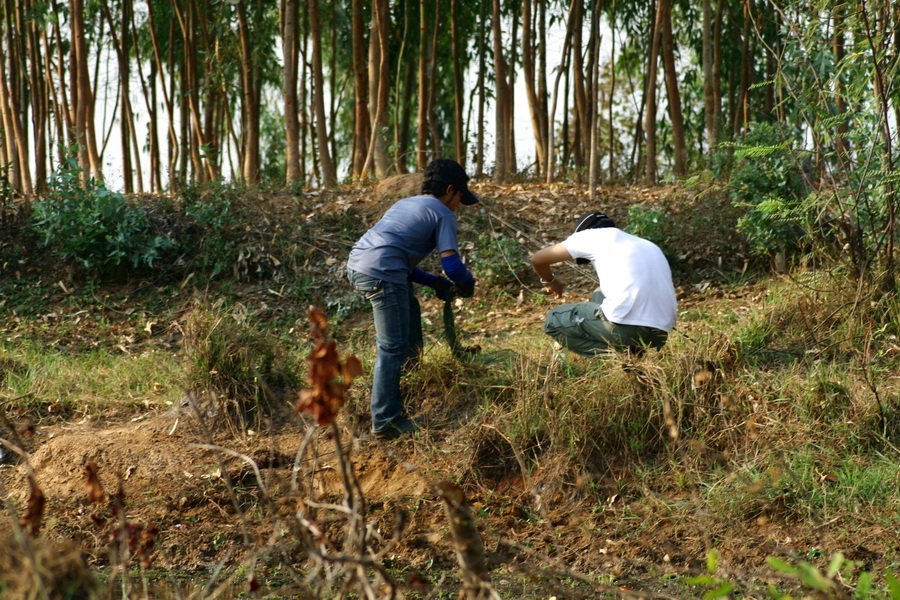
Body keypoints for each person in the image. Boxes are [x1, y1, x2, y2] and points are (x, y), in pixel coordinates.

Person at [347, 159, 478, 439]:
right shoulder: (443, 213)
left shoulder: (405, 204)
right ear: (450, 190)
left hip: (359, 264)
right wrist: (466, 284)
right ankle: (385, 420)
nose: (458, 206)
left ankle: (408, 372)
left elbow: (398, 259)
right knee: (391, 347)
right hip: (383, 273)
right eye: (459, 199)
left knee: (409, 306)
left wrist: (436, 283)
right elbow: (453, 266)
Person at [530, 211, 677, 357]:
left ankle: (620, 356)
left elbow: (538, 259)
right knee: (599, 293)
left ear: (583, 231)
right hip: (660, 332)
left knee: (553, 320)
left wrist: (551, 282)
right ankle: (632, 353)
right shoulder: (645, 244)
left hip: (627, 329)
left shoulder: (588, 236)